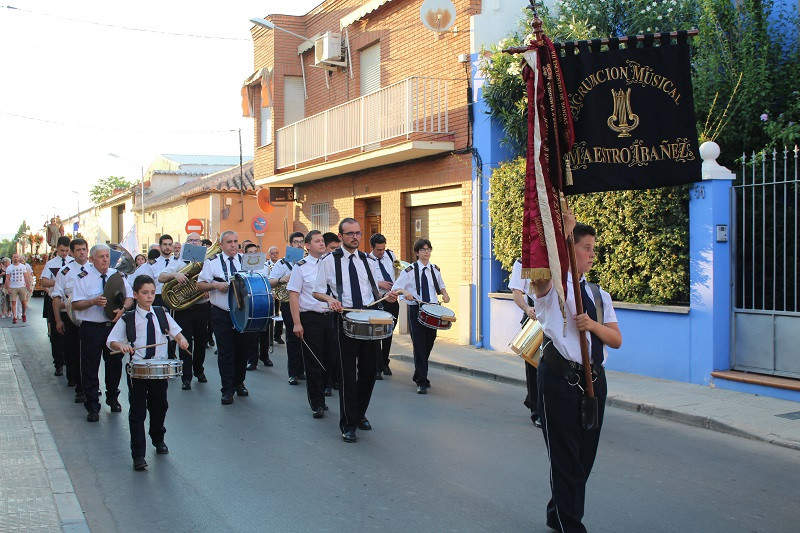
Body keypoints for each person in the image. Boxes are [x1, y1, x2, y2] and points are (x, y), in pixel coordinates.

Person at [532, 214, 622, 533]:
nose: (592, 254)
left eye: (593, 248)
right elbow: (541, 276)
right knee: (564, 455)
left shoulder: (598, 295)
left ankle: (558, 511)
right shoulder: (552, 289)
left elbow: (616, 339)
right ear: (572, 248)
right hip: (560, 378)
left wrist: (592, 324)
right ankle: (569, 523)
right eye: (586, 247)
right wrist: (561, 233)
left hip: (595, 382)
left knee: (584, 458)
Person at [313, 218, 399, 443]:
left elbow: (373, 291)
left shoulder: (367, 261)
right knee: (347, 375)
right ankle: (348, 423)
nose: (355, 237)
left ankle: (359, 413)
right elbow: (317, 292)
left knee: (370, 372)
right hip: (344, 319)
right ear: (340, 237)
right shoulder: (329, 261)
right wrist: (330, 300)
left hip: (369, 319)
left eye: (358, 233)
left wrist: (386, 296)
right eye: (349, 233)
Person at [107, 275, 189, 471]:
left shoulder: (161, 313)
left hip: (159, 369)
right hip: (137, 371)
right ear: (135, 295)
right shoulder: (128, 318)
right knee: (137, 412)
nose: (150, 296)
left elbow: (174, 331)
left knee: (160, 406)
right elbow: (111, 341)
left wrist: (181, 340)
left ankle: (158, 437)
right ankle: (138, 455)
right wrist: (122, 346)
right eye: (145, 293)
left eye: (152, 292)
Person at [71, 243, 134, 422]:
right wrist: (92, 302)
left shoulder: (117, 275)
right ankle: (92, 406)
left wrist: (123, 308)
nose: (105, 259)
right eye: (101, 256)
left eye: (107, 256)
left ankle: (113, 398)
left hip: (113, 328)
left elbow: (129, 297)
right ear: (91, 259)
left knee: (114, 365)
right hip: (91, 328)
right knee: (90, 368)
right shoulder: (83, 277)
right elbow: (75, 304)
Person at [288, 230, 338, 418]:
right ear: (307, 246)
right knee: (314, 362)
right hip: (310, 318)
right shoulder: (300, 267)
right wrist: (296, 323)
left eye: (322, 241)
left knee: (330, 359)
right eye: (317, 241)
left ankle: (323, 390)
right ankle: (317, 402)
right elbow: (294, 296)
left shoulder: (331, 263)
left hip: (330, 317)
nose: (321, 243)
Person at [197, 231, 250, 405]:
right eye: (229, 242)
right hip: (222, 312)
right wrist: (215, 285)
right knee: (226, 351)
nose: (233, 245)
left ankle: (239, 382)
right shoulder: (212, 263)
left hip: (243, 312)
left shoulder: (246, 261)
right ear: (221, 245)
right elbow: (199, 284)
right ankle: (227, 389)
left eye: (235, 241)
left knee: (242, 350)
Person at [392, 239, 449, 394]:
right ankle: (422, 381)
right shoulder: (409, 270)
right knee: (418, 345)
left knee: (429, 343)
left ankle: (419, 374)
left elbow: (441, 285)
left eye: (428, 249)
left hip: (433, 309)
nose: (426, 252)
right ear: (417, 253)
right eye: (423, 249)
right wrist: (405, 292)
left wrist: (445, 294)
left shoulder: (435, 270)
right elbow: (396, 288)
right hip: (416, 309)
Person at [158, 233, 209, 390]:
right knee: (185, 342)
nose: (194, 243)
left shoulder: (208, 262)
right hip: (184, 309)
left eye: (196, 240)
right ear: (186, 245)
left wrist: (207, 288)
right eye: (190, 241)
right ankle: (186, 376)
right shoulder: (179, 261)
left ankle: (199, 370)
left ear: (201, 243)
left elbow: (215, 280)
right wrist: (176, 274)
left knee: (201, 341)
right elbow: (161, 277)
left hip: (202, 306)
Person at [51, 238, 91, 403]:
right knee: (73, 352)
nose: (82, 252)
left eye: (84, 249)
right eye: (78, 250)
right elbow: (56, 297)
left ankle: (91, 385)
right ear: (72, 253)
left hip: (90, 318)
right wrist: (58, 321)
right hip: (71, 317)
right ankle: (79, 386)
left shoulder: (94, 268)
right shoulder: (65, 271)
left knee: (90, 355)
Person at [269, 231, 306, 385]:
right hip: (288, 303)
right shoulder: (282, 263)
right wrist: (282, 279)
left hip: (306, 303)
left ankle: (302, 370)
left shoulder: (308, 261)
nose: (298, 244)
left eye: (301, 242)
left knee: (306, 338)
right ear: (290, 244)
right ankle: (293, 373)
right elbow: (270, 281)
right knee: (292, 338)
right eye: (295, 242)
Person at [509, 257, 542, 428]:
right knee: (533, 366)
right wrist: (527, 309)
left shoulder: (555, 258)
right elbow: (517, 292)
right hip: (534, 317)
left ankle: (533, 399)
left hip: (552, 318)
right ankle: (537, 412)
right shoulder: (522, 263)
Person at [40, 236, 71, 376]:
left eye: (66, 250)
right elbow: (44, 282)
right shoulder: (51, 263)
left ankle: (68, 361)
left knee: (71, 336)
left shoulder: (73, 262)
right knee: (57, 335)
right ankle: (58, 363)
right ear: (57, 248)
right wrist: (59, 282)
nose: (64, 253)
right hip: (56, 303)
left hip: (71, 304)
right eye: (62, 250)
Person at [368, 233, 398, 379]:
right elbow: (364, 281)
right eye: (378, 250)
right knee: (377, 334)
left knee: (389, 333)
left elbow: (397, 270)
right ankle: (377, 366)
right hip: (377, 300)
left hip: (392, 298)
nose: (381, 252)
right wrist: (379, 283)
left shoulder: (390, 255)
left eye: (383, 249)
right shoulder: (366, 261)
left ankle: (385, 362)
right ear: (372, 247)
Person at [242, 242, 271, 371]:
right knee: (252, 333)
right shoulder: (243, 268)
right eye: (250, 253)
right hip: (251, 303)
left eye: (255, 252)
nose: (253, 254)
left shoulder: (265, 266)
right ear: (246, 254)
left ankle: (265, 356)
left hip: (264, 301)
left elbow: (270, 282)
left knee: (265, 331)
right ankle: (252, 360)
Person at [5, 253, 32, 324]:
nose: (15, 258)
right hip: (13, 287)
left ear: (19, 258)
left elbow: (26, 276)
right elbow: (7, 278)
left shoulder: (22, 267)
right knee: (13, 302)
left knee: (23, 302)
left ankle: (23, 314)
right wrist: (8, 288)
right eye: (14, 257)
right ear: (12, 258)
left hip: (22, 286)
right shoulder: (9, 268)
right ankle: (14, 317)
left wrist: (28, 286)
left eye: (17, 257)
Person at [201, 238, 215, 349]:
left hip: (209, 299)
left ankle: (209, 338)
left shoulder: (212, 261)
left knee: (210, 321)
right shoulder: (180, 261)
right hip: (192, 303)